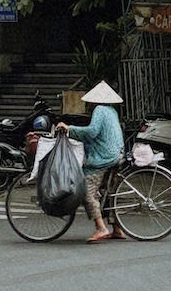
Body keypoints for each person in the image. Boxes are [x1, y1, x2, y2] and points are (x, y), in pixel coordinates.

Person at [56, 79, 127, 242]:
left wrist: (70, 129)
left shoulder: (100, 110)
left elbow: (92, 132)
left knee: (87, 190)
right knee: (109, 193)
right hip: (117, 153)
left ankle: (101, 228)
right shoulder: (111, 111)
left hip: (104, 156)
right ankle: (117, 228)